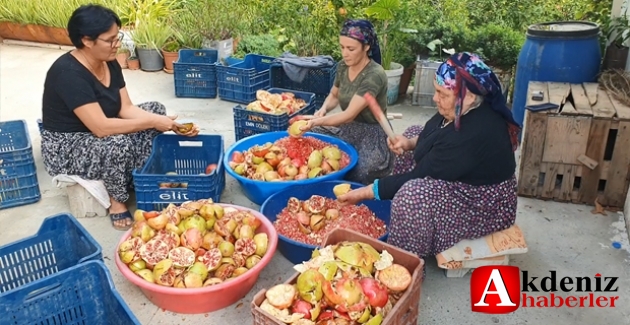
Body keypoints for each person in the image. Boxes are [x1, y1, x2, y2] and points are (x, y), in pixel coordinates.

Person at [337, 52, 521, 277]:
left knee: (413, 195)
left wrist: (364, 192)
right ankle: (409, 222)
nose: (435, 98)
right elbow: (431, 132)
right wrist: (409, 143)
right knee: (413, 132)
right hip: (464, 172)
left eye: (441, 94)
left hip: (483, 204)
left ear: (470, 97)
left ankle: (406, 267)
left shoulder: (472, 133)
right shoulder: (462, 107)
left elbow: (418, 177)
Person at [40, 4, 198, 230]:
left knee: (155, 108)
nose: (117, 44)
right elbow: (102, 128)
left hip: (100, 126)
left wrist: (169, 124)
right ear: (86, 40)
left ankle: (137, 176)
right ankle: (117, 202)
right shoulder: (68, 73)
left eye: (118, 37)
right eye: (110, 40)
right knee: (117, 142)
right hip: (67, 145)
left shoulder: (110, 62)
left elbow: (126, 108)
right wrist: (153, 121)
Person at [298, 19, 394, 185]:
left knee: (360, 171)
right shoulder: (343, 66)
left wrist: (316, 121)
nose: (345, 53)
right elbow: (334, 96)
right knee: (306, 140)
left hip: (372, 133)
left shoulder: (374, 75)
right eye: (342, 47)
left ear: (366, 47)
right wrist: (323, 109)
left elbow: (349, 115)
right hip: (346, 127)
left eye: (351, 49)